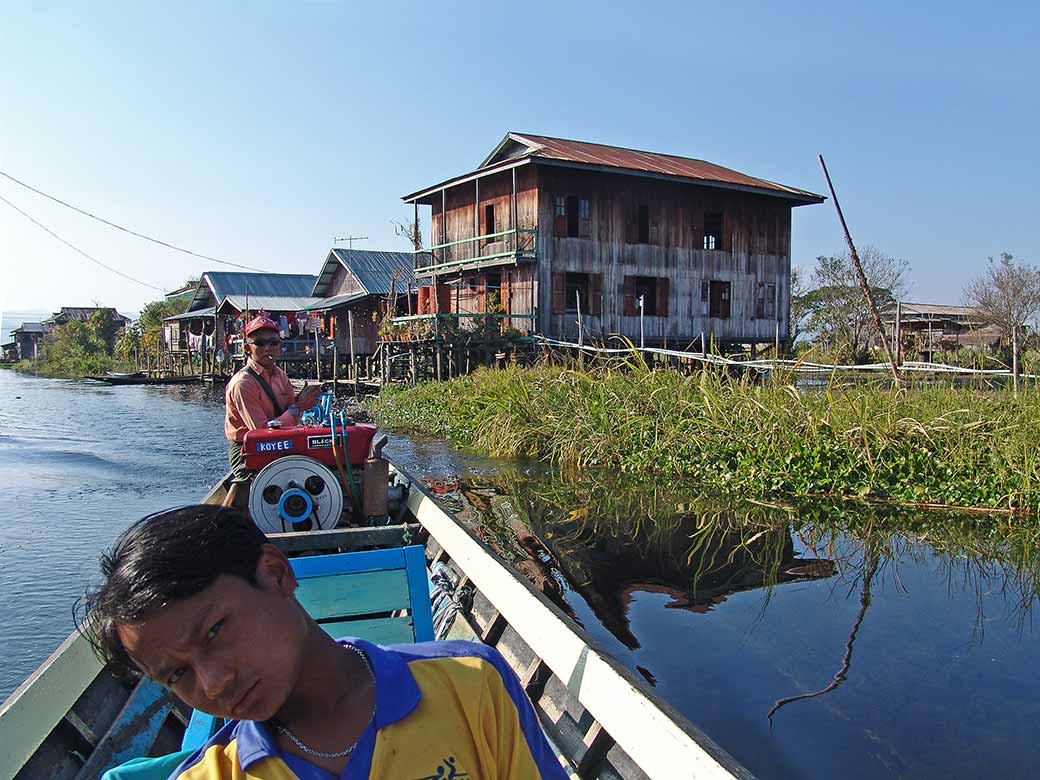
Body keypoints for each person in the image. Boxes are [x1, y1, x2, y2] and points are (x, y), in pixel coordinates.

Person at [82, 505, 567, 780]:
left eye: (214, 631)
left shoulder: (470, 685)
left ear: (275, 573)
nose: (213, 684)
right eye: (177, 674)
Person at [225, 315, 321, 482]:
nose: (267, 348)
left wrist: (304, 402)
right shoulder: (243, 384)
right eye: (260, 343)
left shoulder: (280, 375)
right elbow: (260, 433)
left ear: (279, 346)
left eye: (273, 342)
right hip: (248, 449)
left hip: (280, 441)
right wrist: (298, 407)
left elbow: (292, 410)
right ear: (248, 348)